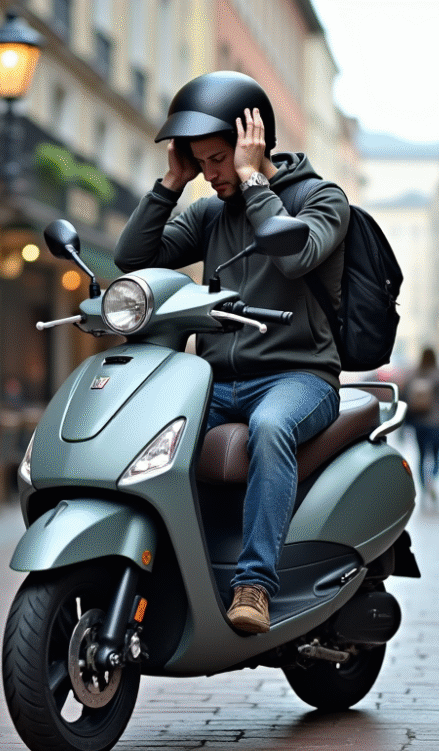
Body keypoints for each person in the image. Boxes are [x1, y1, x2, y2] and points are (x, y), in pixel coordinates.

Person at [115, 71, 349, 634]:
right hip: (216, 381)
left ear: (254, 139)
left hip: (300, 378)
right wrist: (171, 182)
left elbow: (295, 255)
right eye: (200, 160)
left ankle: (254, 585)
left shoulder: (321, 198)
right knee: (149, 429)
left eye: (218, 158)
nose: (210, 172)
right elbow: (134, 257)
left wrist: (251, 180)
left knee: (271, 426)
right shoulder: (209, 213)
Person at [402, 348, 439, 507]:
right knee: (436, 455)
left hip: (418, 422)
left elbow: (405, 397)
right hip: (436, 422)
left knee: (421, 455)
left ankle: (425, 488)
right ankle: (432, 478)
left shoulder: (413, 374)